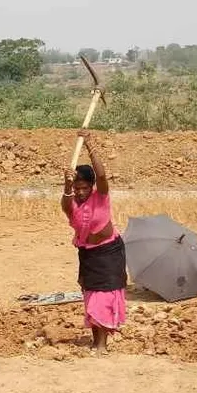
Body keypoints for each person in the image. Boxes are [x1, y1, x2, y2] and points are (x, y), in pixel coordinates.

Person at [61, 129, 128, 354]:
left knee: (103, 299)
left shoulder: (100, 197)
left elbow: (101, 176)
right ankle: (95, 341)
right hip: (89, 256)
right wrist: (67, 185)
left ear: (91, 187)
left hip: (109, 254)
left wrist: (90, 145)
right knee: (91, 299)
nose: (81, 192)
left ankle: (102, 344)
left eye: (84, 188)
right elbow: (65, 203)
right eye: (77, 188)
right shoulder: (72, 206)